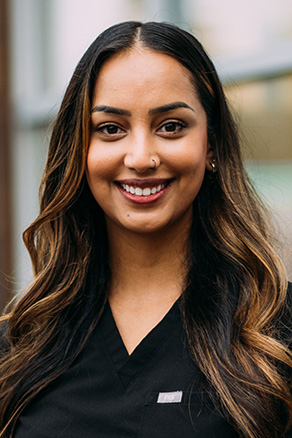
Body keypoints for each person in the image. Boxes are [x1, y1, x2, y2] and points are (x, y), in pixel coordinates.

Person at [0, 21, 291, 438]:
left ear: (211, 145)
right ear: (80, 149)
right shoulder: (22, 345)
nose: (141, 157)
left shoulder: (275, 336)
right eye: (111, 129)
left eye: (171, 126)